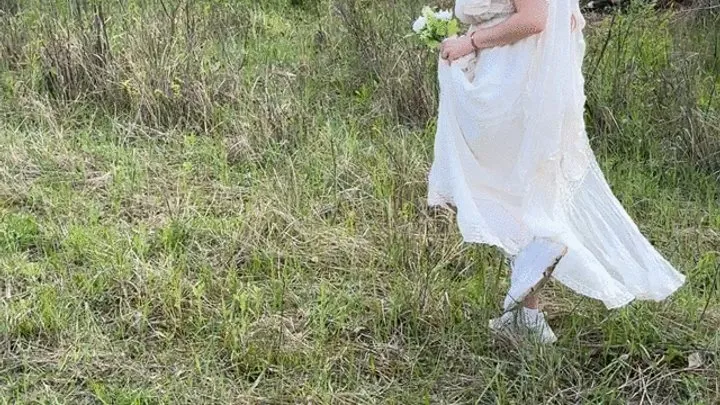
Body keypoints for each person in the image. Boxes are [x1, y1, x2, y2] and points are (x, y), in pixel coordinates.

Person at [428, 0, 685, 343]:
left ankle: (542, 250)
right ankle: (526, 317)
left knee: (493, 187)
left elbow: (534, 19)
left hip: (514, 80)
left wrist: (470, 43)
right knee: (508, 191)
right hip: (507, 73)